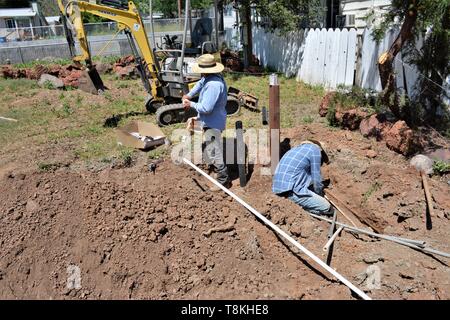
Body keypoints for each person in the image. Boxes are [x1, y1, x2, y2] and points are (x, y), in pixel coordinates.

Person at [183, 54, 231, 189]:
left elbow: (206, 108)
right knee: (211, 147)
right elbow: (199, 84)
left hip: (213, 122)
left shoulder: (213, 85)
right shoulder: (209, 77)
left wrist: (190, 104)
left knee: (215, 150)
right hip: (209, 120)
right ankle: (216, 170)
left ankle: (223, 180)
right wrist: (189, 95)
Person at [272, 140, 334, 216]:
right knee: (328, 208)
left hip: (278, 190)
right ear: (320, 150)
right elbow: (316, 179)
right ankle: (304, 211)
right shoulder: (315, 150)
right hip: (290, 191)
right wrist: (320, 194)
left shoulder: (294, 150)